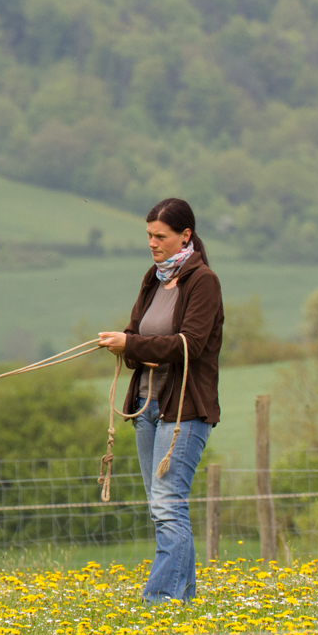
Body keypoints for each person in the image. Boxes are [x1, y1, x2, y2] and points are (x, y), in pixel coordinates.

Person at [97, 198, 224, 603]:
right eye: (149, 236)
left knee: (168, 505)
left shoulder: (203, 282)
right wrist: (128, 347)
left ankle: (160, 601)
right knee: (161, 507)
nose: (152, 243)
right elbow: (138, 345)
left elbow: (190, 344)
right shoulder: (152, 280)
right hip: (147, 406)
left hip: (184, 409)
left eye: (160, 236)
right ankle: (181, 598)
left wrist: (134, 343)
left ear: (185, 236)